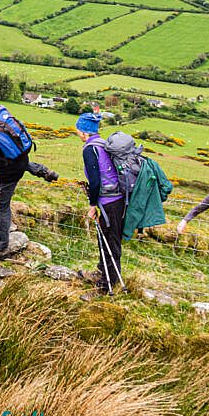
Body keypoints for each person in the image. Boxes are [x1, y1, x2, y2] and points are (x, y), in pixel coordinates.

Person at [0, 106, 59, 260]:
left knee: (0, 206)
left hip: (9, 171)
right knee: (20, 165)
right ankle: (42, 170)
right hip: (22, 158)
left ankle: (1, 247)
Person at [75, 112, 126, 293]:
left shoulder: (90, 149)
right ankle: (102, 272)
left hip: (108, 202)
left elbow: (95, 181)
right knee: (109, 238)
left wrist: (92, 205)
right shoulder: (103, 144)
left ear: (83, 131)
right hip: (118, 199)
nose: (77, 133)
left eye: (78, 130)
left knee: (109, 241)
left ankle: (107, 285)